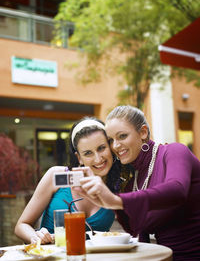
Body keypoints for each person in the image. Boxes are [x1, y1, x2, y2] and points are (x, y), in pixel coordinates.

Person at [75, 105, 200, 261]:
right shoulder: (132, 182)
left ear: (143, 132)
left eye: (122, 136)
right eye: (111, 140)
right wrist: (109, 203)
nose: (115, 146)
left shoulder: (174, 152)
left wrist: (116, 201)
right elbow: (137, 233)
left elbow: (177, 190)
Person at [15, 117, 123, 245]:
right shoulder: (57, 175)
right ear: (79, 157)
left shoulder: (120, 184)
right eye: (88, 153)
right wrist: (36, 237)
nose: (98, 159)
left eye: (101, 148)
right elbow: (21, 225)